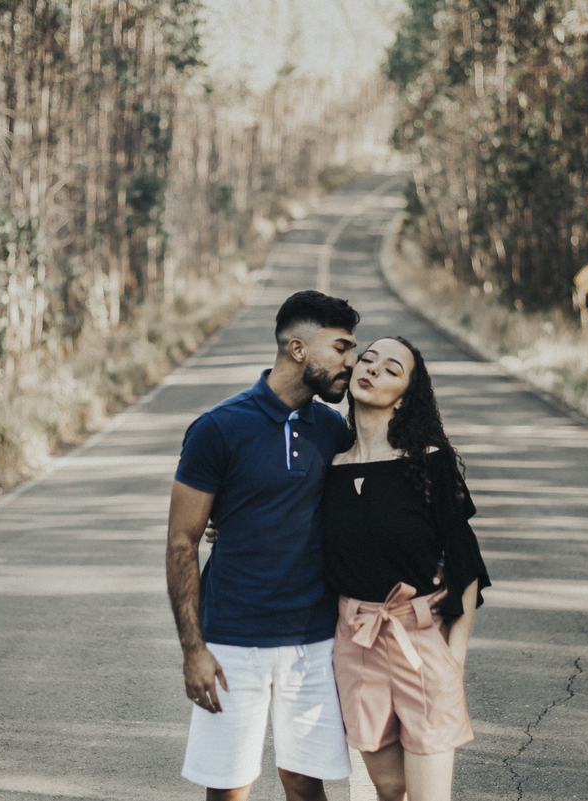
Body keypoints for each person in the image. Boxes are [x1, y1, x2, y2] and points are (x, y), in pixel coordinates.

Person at [165, 290, 360, 801]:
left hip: (314, 638)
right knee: (229, 787)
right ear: (298, 349)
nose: (350, 362)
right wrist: (193, 651)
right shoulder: (218, 428)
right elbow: (183, 541)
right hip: (233, 639)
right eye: (340, 347)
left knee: (305, 783)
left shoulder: (333, 430)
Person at [323, 335, 490, 801]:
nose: (373, 369)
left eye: (391, 369)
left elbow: (467, 568)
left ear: (405, 397)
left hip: (421, 639)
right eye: (369, 359)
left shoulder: (429, 464)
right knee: (390, 788)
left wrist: (452, 664)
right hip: (355, 640)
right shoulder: (329, 466)